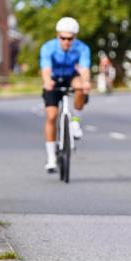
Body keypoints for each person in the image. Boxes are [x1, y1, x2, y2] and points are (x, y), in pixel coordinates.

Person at [40, 17, 92, 173]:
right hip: (54, 79)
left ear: (75, 37)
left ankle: (75, 122)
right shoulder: (48, 47)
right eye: (63, 38)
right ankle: (51, 158)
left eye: (70, 38)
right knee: (51, 116)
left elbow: (83, 69)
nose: (66, 42)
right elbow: (46, 68)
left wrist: (86, 81)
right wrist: (47, 81)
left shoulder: (82, 48)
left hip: (71, 77)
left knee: (80, 87)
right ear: (58, 36)